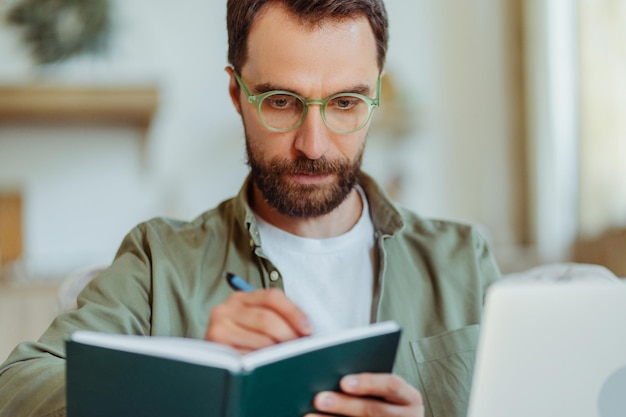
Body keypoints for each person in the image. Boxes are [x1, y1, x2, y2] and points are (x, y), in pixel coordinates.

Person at [0, 1, 500, 416]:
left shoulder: (463, 259)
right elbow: (16, 389)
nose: (314, 145)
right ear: (237, 93)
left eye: (346, 102)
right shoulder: (159, 260)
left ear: (374, 97)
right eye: (281, 101)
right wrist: (191, 374)